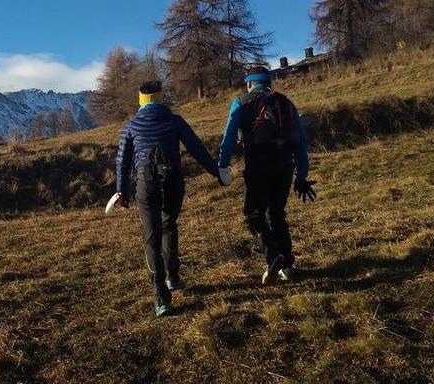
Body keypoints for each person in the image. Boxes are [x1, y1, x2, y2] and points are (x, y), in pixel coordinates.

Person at [115, 80, 222, 317]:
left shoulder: (131, 126)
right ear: (161, 98)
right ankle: (173, 276)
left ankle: (161, 298)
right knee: (169, 226)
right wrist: (216, 172)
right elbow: (197, 149)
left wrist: (121, 190)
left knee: (151, 236)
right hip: (173, 180)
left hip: (145, 184)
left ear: (141, 100)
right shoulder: (175, 121)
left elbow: (122, 161)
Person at [218, 66, 317, 284]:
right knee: (277, 213)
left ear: (249, 83)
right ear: (269, 82)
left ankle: (274, 257)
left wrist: (222, 165)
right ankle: (288, 266)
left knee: (254, 215)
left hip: (258, 167)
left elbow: (228, 136)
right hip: (284, 167)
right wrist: (301, 174)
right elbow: (301, 140)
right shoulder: (286, 102)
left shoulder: (241, 102)